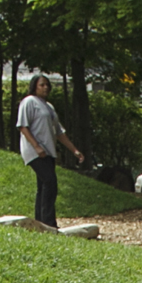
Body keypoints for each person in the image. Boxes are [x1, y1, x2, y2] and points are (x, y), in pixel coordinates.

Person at [16, 75, 87, 230]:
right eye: (42, 85)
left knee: (43, 186)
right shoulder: (29, 102)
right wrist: (36, 147)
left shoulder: (49, 107)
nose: (46, 87)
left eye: (47, 85)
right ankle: (49, 222)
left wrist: (74, 150)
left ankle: (39, 223)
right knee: (50, 183)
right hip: (35, 151)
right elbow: (23, 127)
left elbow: (59, 132)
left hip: (48, 152)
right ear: (34, 86)